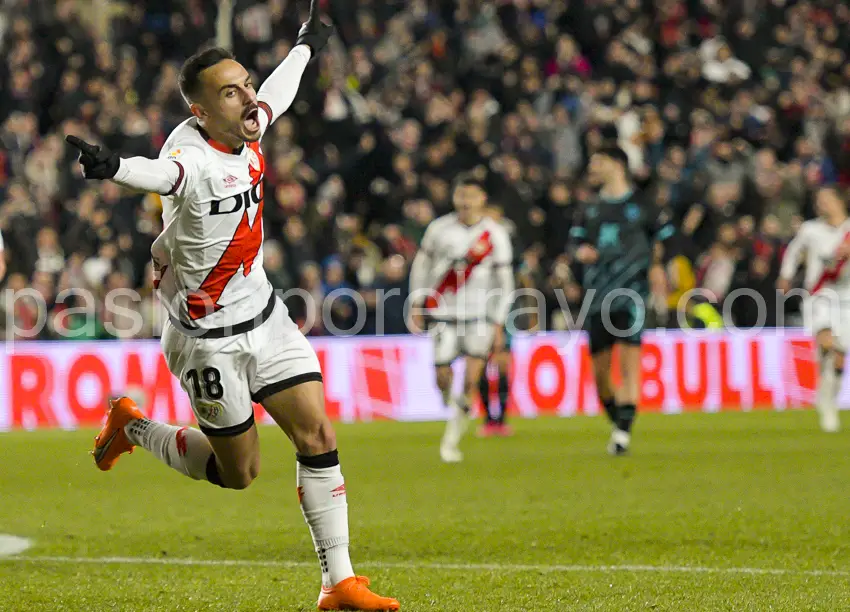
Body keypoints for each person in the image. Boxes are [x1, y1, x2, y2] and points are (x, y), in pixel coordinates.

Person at [66, 16, 399, 612]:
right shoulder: (191, 159)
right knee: (239, 473)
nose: (248, 98)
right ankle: (132, 427)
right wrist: (112, 168)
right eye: (231, 91)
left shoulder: (243, 127)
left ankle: (338, 584)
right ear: (199, 111)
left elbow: (277, 94)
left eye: (245, 84)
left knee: (317, 434)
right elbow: (158, 174)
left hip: (265, 313)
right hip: (206, 339)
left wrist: (305, 46)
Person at [568, 146, 675, 455]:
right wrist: (580, 253)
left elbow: (665, 239)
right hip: (597, 296)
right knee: (601, 377)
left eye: (596, 162)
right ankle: (620, 424)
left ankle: (623, 435)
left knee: (630, 365)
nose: (592, 169)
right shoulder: (589, 208)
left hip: (633, 294)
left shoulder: (643, 206)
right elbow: (574, 243)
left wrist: (656, 266)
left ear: (616, 165)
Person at [409, 175, 515, 463]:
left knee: (471, 380)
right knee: (443, 376)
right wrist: (417, 301)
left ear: (483, 199)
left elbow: (504, 282)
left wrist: (498, 321)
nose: (466, 202)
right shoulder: (439, 229)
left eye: (472, 196)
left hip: (479, 316)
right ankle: (447, 400)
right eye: (461, 196)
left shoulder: (495, 234)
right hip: (443, 313)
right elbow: (422, 265)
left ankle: (451, 442)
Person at [777, 186, 850, 433]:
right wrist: (786, 276)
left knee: (839, 355)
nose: (822, 204)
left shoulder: (848, 230)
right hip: (819, 295)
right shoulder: (811, 229)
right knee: (827, 342)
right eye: (819, 200)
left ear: (839, 201)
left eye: (827, 199)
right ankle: (826, 407)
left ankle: (827, 398)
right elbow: (794, 251)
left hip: (847, 298)